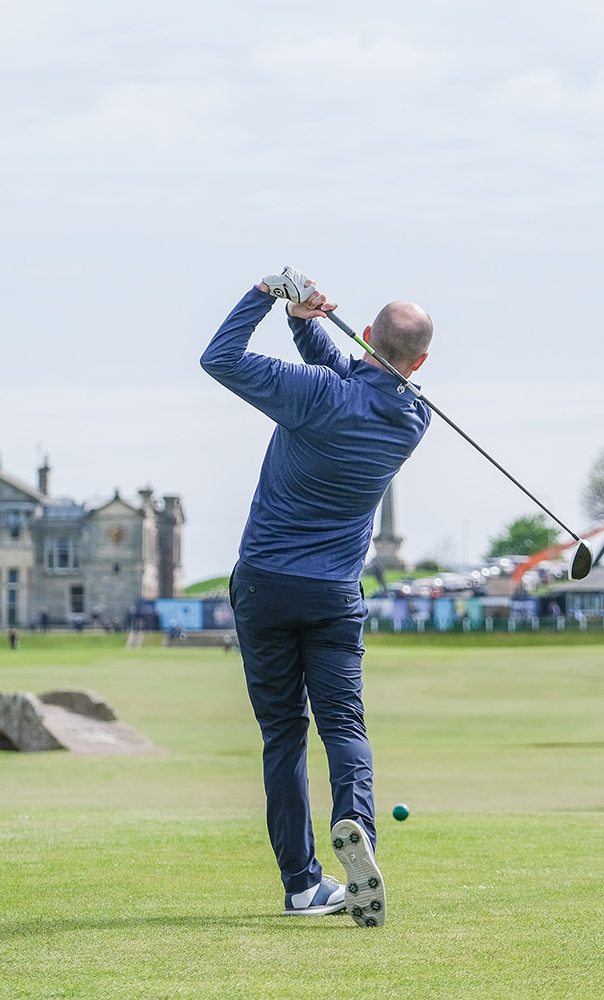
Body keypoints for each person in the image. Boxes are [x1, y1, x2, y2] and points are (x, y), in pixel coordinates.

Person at [201, 267, 433, 927]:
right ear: (419, 363)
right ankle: (355, 822)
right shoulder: (413, 417)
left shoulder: (313, 394)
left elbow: (219, 358)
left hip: (267, 584)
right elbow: (360, 384)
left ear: (363, 335)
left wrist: (265, 296)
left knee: (283, 735)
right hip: (334, 594)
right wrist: (305, 328)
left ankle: (303, 884)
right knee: (345, 727)